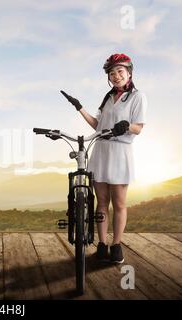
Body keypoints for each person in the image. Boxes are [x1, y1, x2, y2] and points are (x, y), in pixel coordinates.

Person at [61, 53, 147, 263]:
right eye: (112, 72)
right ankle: (101, 244)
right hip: (101, 151)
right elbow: (97, 125)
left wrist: (127, 126)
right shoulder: (108, 98)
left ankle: (116, 245)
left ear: (129, 73)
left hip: (120, 153)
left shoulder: (138, 97)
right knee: (101, 203)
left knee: (118, 204)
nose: (116, 76)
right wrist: (79, 107)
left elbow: (139, 128)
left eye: (120, 71)